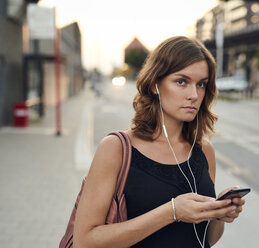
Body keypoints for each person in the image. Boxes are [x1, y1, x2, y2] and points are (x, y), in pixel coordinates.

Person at [74, 36, 246, 248]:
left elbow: (205, 239)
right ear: (155, 84)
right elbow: (85, 241)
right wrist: (172, 211)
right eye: (181, 82)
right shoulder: (116, 148)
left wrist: (218, 213)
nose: (194, 94)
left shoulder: (203, 150)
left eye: (201, 84)